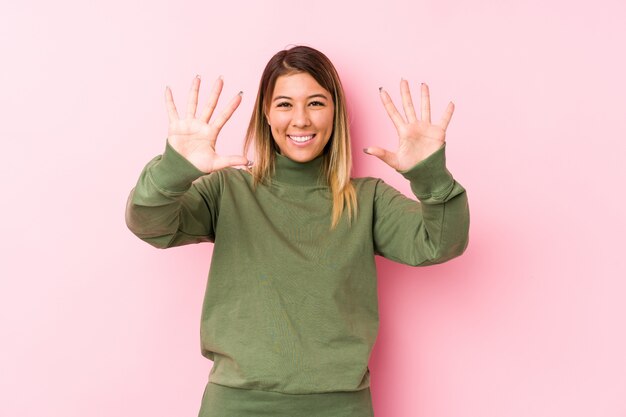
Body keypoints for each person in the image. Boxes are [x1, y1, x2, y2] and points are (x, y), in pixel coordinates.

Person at [125, 45, 469, 417]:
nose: (301, 120)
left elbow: (441, 242)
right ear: (267, 115)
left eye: (316, 103)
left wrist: (429, 174)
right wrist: (175, 169)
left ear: (335, 112)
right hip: (238, 405)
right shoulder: (227, 191)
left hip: (340, 407)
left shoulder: (366, 200)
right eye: (285, 104)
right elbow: (149, 223)